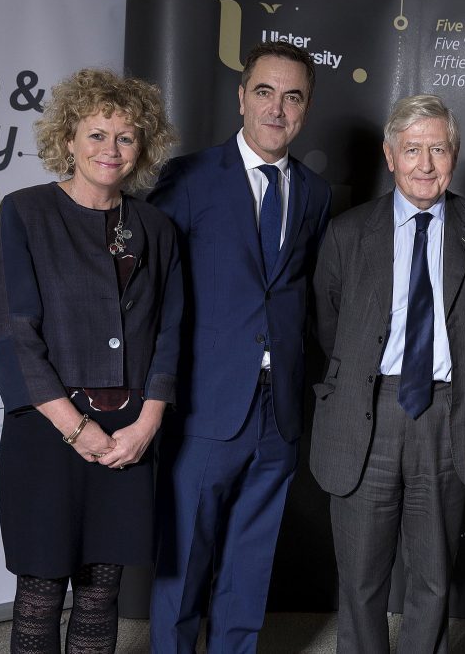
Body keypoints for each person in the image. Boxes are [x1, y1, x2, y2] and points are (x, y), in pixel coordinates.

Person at [148, 42, 331, 653]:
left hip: (277, 411)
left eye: (293, 96)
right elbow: (152, 290)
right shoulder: (187, 178)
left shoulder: (313, 193)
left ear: (306, 108)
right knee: (184, 565)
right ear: (241, 96)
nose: (277, 109)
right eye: (264, 92)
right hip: (205, 405)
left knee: (250, 566)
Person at [0, 68, 179, 654]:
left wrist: (146, 424)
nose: (110, 150)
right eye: (96, 134)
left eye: (125, 137)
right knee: (42, 589)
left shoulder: (156, 226)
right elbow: (17, 332)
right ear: (68, 139)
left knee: (102, 591)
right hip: (48, 430)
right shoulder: (25, 213)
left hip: (129, 435)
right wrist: (77, 430)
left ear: (141, 148)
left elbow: (172, 329)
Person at [310, 94, 465, 653]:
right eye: (412, 149)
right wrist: (357, 385)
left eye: (438, 149)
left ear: (454, 156)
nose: (425, 163)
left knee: (433, 577)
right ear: (389, 156)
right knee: (361, 580)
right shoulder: (349, 233)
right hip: (366, 411)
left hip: (447, 413)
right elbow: (327, 325)